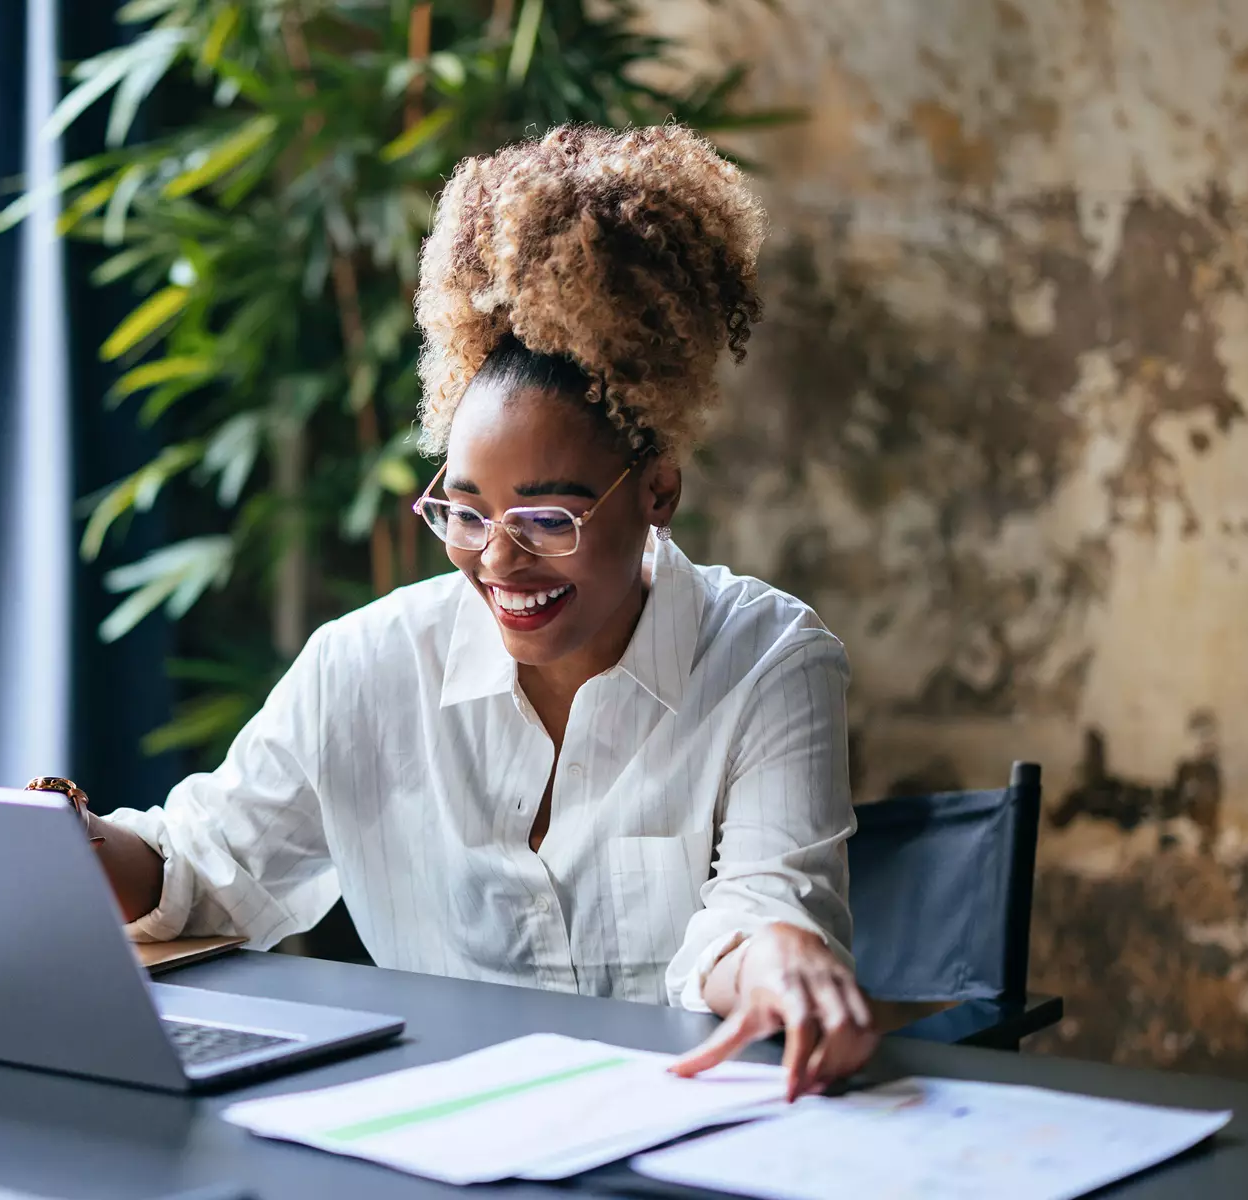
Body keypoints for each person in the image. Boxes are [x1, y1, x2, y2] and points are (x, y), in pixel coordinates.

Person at [72, 124, 877, 1097]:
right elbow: (201, 868)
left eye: (545, 515)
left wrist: (779, 951)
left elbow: (763, 904)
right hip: (428, 1138)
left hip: (674, 1127)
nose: (495, 558)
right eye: (462, 510)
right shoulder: (362, 667)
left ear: (656, 491)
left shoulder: (767, 659)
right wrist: (57, 837)